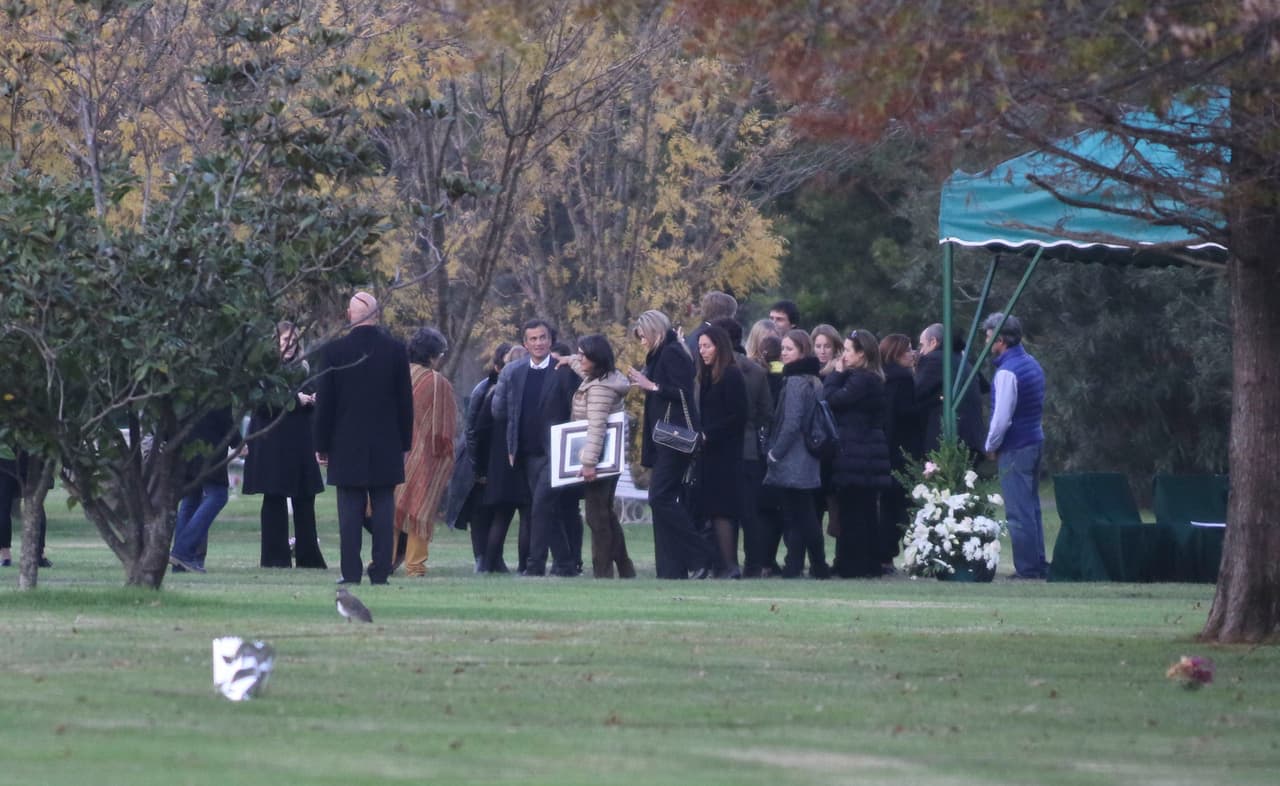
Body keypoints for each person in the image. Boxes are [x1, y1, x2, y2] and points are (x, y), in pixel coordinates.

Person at [313, 291, 414, 586]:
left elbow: (326, 403)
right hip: (386, 442)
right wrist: (405, 443)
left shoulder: (334, 352)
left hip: (345, 442)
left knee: (349, 511)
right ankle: (381, 569)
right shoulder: (395, 350)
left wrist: (321, 444)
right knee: (384, 508)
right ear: (377, 316)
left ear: (349, 316)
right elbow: (404, 402)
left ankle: (350, 571)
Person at [627, 309, 716, 579]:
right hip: (665, 438)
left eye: (643, 336)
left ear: (654, 331)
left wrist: (651, 385)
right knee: (663, 500)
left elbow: (682, 392)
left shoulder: (671, 352)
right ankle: (670, 568)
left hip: (674, 438)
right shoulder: (662, 352)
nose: (641, 341)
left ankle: (701, 554)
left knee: (660, 498)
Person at [491, 319, 577, 577]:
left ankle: (535, 566)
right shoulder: (512, 372)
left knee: (540, 506)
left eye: (543, 338)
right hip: (526, 453)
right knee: (547, 509)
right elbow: (499, 410)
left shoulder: (563, 369)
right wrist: (511, 442)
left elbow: (579, 404)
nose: (538, 343)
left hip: (556, 452)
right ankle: (565, 564)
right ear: (525, 343)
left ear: (550, 339)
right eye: (533, 339)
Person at [242, 321, 327, 569]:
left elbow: (311, 392)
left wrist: (313, 398)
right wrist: (292, 399)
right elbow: (259, 402)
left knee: (304, 497)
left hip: (299, 439)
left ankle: (309, 557)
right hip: (272, 441)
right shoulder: (263, 370)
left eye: (292, 340)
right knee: (274, 497)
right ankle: (274, 558)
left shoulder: (304, 366)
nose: (289, 345)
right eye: (283, 340)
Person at [982, 312, 1049, 580]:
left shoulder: (1007, 371)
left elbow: (1001, 418)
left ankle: (1028, 568)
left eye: (988, 337)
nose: (986, 342)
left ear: (1000, 340)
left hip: (1016, 446)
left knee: (1018, 511)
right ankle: (1038, 562)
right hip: (1034, 440)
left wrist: (990, 444)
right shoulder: (1031, 363)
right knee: (1031, 508)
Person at [563, 334, 635, 578]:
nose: (580, 358)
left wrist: (588, 463)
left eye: (584, 355)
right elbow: (582, 369)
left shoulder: (600, 389)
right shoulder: (605, 378)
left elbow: (596, 427)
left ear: (596, 358)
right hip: (608, 460)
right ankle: (625, 568)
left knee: (596, 517)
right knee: (605, 513)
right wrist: (567, 359)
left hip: (600, 461)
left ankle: (603, 572)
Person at [824, 329, 892, 578]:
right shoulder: (870, 379)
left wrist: (836, 374)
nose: (843, 356)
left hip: (857, 453)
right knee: (861, 510)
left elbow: (831, 399)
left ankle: (853, 564)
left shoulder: (862, 380)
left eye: (848, 351)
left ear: (862, 354)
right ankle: (861, 563)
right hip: (864, 452)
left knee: (854, 511)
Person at [763, 329, 828, 578]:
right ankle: (799, 565)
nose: (784, 353)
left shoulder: (794, 382)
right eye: (783, 349)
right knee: (802, 513)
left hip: (793, 457)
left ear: (802, 351)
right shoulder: (814, 380)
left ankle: (816, 565)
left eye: (789, 349)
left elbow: (791, 423)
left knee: (800, 514)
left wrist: (774, 453)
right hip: (807, 455)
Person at [392, 327, 457, 577]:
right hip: (425, 457)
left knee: (391, 510)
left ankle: (384, 560)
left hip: (393, 453)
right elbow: (446, 428)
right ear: (433, 356)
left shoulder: (395, 376)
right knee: (421, 508)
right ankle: (414, 565)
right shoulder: (438, 383)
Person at [712, 317, 772, 579]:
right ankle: (754, 564)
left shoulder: (716, 370)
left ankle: (727, 562)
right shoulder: (757, 371)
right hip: (749, 448)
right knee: (751, 511)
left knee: (724, 508)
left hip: (722, 448)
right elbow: (765, 412)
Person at [446, 342, 510, 571]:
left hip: (497, 459)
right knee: (480, 512)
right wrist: (479, 468)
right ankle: (483, 560)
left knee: (495, 511)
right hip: (481, 458)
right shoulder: (486, 391)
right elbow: (474, 431)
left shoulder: (496, 389)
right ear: (498, 367)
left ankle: (491, 560)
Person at [693, 325, 749, 578]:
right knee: (710, 509)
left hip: (726, 453)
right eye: (700, 346)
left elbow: (738, 416)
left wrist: (709, 433)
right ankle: (717, 564)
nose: (702, 351)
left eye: (707, 346)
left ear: (720, 347)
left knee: (722, 510)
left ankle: (730, 565)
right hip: (709, 453)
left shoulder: (731, 375)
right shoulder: (707, 376)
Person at [169, 404, 240, 574]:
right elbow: (223, 418)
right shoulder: (218, 389)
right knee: (218, 495)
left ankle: (180, 563)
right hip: (209, 449)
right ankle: (182, 551)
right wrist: (238, 441)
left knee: (190, 499)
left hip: (186, 447)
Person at [480, 345, 530, 572]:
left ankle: (488, 563)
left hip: (499, 464)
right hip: (520, 461)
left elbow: (482, 426)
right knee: (527, 517)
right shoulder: (526, 389)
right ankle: (523, 565)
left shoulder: (496, 392)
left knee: (501, 517)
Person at [878, 333, 922, 573]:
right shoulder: (903, 380)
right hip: (902, 451)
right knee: (901, 507)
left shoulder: (883, 378)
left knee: (887, 505)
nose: (912, 353)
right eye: (907, 350)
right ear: (896, 353)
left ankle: (884, 554)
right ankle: (899, 554)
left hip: (888, 450)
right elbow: (905, 415)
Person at [915, 323, 986, 456]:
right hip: (973, 437)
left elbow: (917, 393)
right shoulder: (961, 359)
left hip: (950, 437)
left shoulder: (933, 359)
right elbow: (983, 386)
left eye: (922, 345)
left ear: (933, 342)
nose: (921, 351)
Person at [0, 448, 51, 569]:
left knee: (2, 508)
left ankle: (5, 556)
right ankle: (38, 554)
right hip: (31, 458)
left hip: (5, 461)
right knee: (36, 506)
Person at [684, 291, 738, 355]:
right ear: (724, 315)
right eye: (732, 315)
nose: (733, 320)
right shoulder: (711, 339)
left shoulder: (696, 334)